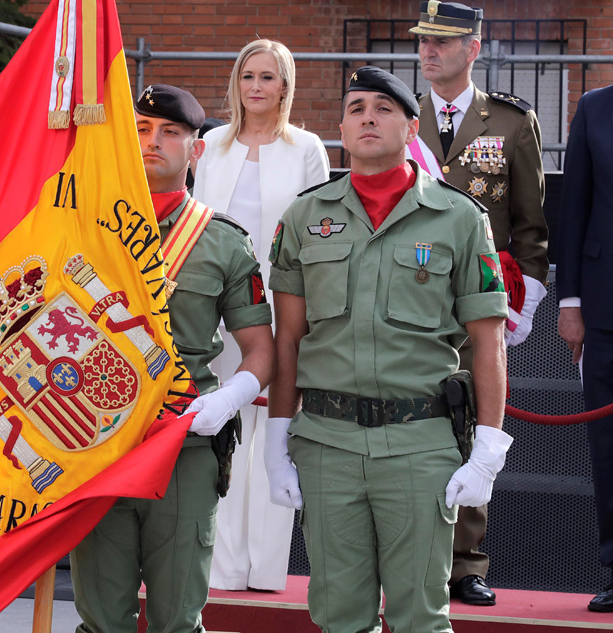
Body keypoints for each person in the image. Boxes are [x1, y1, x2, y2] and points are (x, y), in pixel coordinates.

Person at [266, 66, 513, 633]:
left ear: (411, 125)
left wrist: (488, 451)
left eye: (383, 107)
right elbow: (289, 340)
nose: (368, 118)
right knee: (338, 615)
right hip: (327, 444)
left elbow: (487, 341)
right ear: (342, 128)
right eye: (356, 109)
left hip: (420, 444)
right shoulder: (305, 217)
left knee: (420, 618)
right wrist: (277, 441)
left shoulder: (459, 219)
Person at [70, 84, 275, 633]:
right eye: (139, 130)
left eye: (170, 132)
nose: (152, 142)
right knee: (100, 621)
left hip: (185, 442)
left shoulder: (224, 242)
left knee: (178, 620)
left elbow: (261, 350)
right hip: (98, 441)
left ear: (197, 149)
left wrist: (227, 401)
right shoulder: (80, 231)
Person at [408, 1, 549, 605]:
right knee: (407, 426)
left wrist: (526, 297)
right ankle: (412, 556)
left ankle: (465, 563)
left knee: (473, 428)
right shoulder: (397, 113)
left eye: (442, 42)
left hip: (476, 303)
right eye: (423, 42)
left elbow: (530, 224)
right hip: (404, 298)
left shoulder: (511, 122)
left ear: (474, 47)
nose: (428, 52)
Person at [192, 38, 330, 592]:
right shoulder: (209, 144)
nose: (256, 87)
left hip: (281, 303)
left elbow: (321, 232)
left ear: (285, 85)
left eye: (268, 77)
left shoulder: (307, 148)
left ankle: (266, 567)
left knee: (275, 429)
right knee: (218, 424)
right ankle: (221, 566)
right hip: (214, 307)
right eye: (248, 75)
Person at [556, 85, 613, 613]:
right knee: (609, 445)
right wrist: (569, 300)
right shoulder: (595, 107)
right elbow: (575, 207)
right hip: (603, 305)